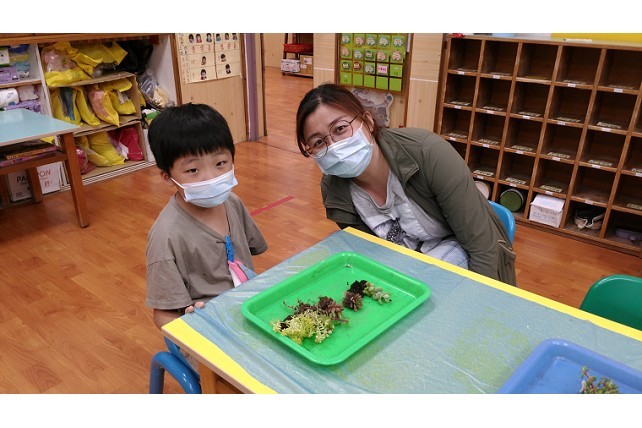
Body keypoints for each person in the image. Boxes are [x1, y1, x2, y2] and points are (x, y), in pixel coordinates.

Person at [295, 84, 516, 285]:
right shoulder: (334, 191)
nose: (334, 146)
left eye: (340, 128)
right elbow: (372, 254)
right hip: (405, 270)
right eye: (318, 142)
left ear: (368, 122)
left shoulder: (427, 152)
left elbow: (483, 249)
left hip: (463, 257)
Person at [146, 103, 268, 329]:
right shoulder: (166, 236)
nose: (210, 177)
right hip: (209, 327)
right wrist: (193, 327)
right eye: (193, 170)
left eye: (220, 163)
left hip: (248, 310)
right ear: (167, 176)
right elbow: (162, 315)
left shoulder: (232, 202)